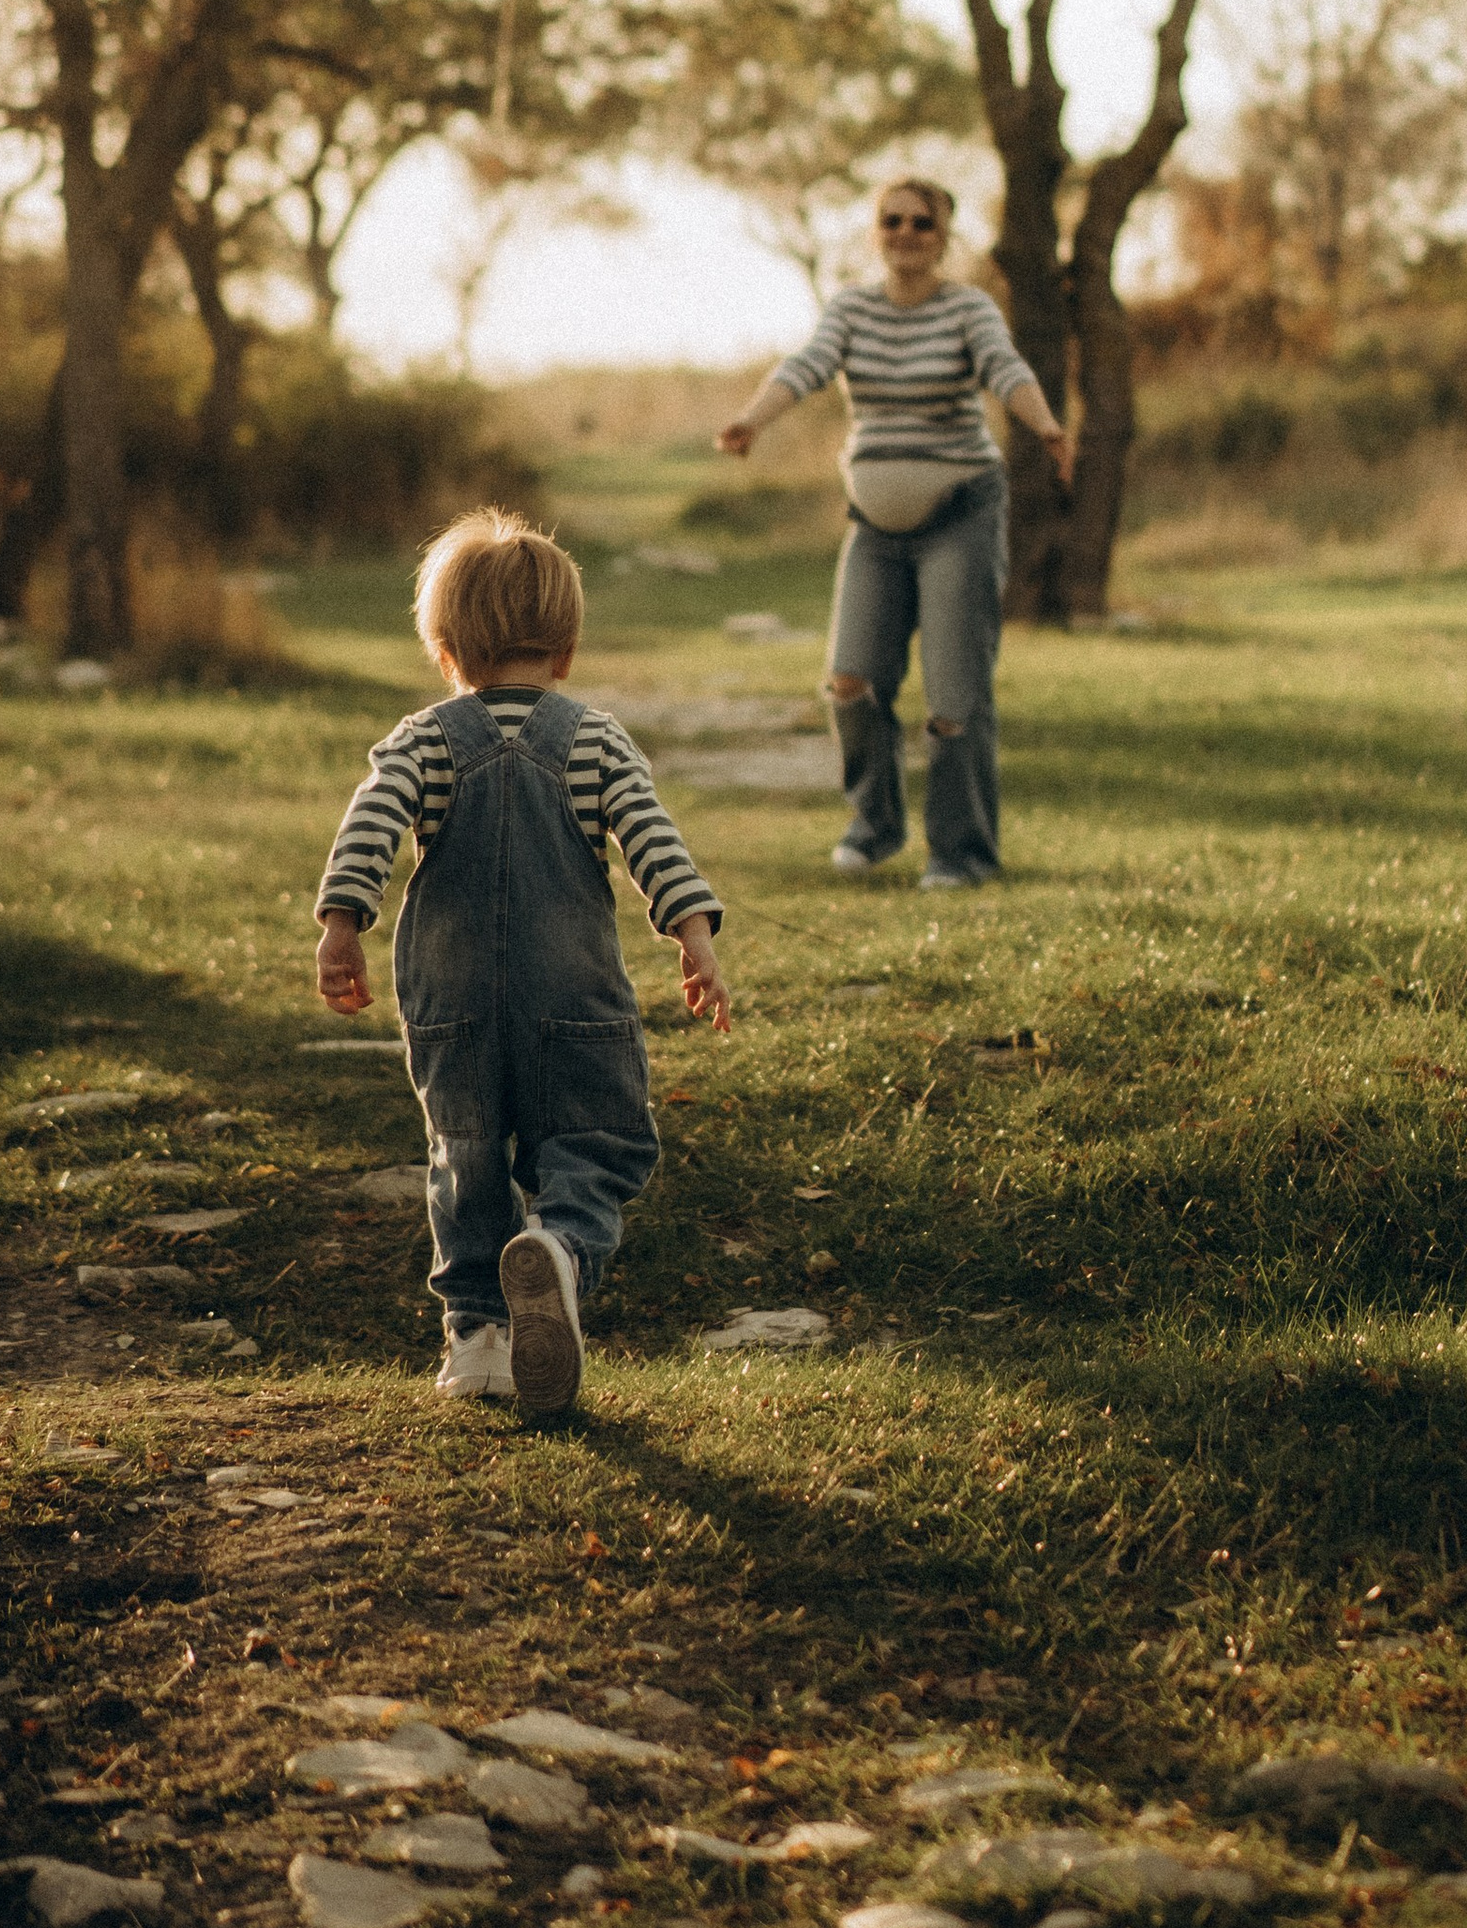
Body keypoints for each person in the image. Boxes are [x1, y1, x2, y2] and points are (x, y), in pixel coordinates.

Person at [311, 507, 730, 1413]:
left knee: (464, 1154)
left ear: (448, 649)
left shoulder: (424, 740)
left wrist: (344, 923)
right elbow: (652, 838)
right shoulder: (594, 739)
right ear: (567, 650)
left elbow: (372, 824)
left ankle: (477, 1341)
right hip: (572, 991)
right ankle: (564, 1253)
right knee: (598, 1139)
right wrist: (693, 933)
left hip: (450, 998)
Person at [717, 176, 1072, 888]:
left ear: (944, 236)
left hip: (960, 516)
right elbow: (807, 366)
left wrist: (1048, 426)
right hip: (874, 526)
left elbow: (1005, 370)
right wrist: (753, 419)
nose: (906, 233)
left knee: (953, 697)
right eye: (893, 221)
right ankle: (875, 826)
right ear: (876, 231)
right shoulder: (852, 308)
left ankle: (961, 854)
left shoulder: (968, 309)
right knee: (850, 680)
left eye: (922, 223)